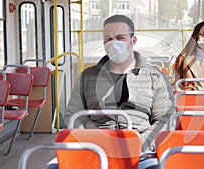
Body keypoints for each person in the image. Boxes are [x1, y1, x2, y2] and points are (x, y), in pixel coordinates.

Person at [45, 15, 174, 169]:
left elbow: (165, 120)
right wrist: (93, 140)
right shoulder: (87, 76)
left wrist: (139, 144)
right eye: (109, 39)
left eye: (120, 38)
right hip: (94, 149)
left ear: (133, 41)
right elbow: (72, 115)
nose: (114, 44)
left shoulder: (155, 77)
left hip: (140, 153)